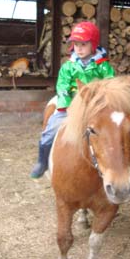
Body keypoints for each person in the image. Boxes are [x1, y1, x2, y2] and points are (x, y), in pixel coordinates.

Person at [30, 21, 115, 179]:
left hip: (95, 106)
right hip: (72, 103)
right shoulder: (68, 66)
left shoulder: (103, 66)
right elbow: (62, 85)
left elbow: (110, 84)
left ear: (93, 44)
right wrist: (66, 104)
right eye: (76, 44)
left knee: (119, 130)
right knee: (50, 128)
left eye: (83, 44)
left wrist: (100, 101)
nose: (79, 48)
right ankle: (42, 161)